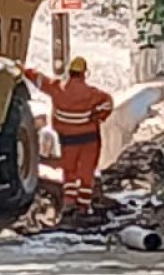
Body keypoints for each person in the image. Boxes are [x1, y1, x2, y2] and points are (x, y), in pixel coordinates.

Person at [25, 57, 114, 217]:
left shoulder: (58, 88)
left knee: (70, 171)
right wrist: (98, 116)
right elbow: (108, 103)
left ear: (70, 72)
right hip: (89, 140)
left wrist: (23, 70)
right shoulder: (92, 93)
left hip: (68, 140)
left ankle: (69, 203)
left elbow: (39, 80)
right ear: (84, 74)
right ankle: (83, 207)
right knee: (86, 172)